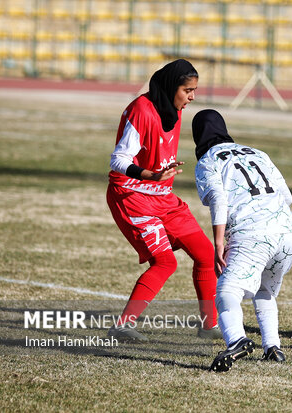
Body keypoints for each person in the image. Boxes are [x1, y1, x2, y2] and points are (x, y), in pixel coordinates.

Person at [106, 59, 220, 342]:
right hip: (132, 196)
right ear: (172, 87)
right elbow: (118, 159)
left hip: (163, 197)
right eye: (187, 90)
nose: (192, 96)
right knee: (165, 262)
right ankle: (122, 326)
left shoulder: (175, 111)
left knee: (206, 255)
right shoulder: (141, 110)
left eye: (194, 90)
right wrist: (150, 175)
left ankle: (209, 327)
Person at [192, 109, 292, 372]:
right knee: (265, 290)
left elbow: (218, 200)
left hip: (253, 232)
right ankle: (273, 347)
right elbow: (286, 196)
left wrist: (219, 241)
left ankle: (237, 340)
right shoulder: (257, 152)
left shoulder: (208, 160)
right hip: (288, 231)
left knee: (226, 290)